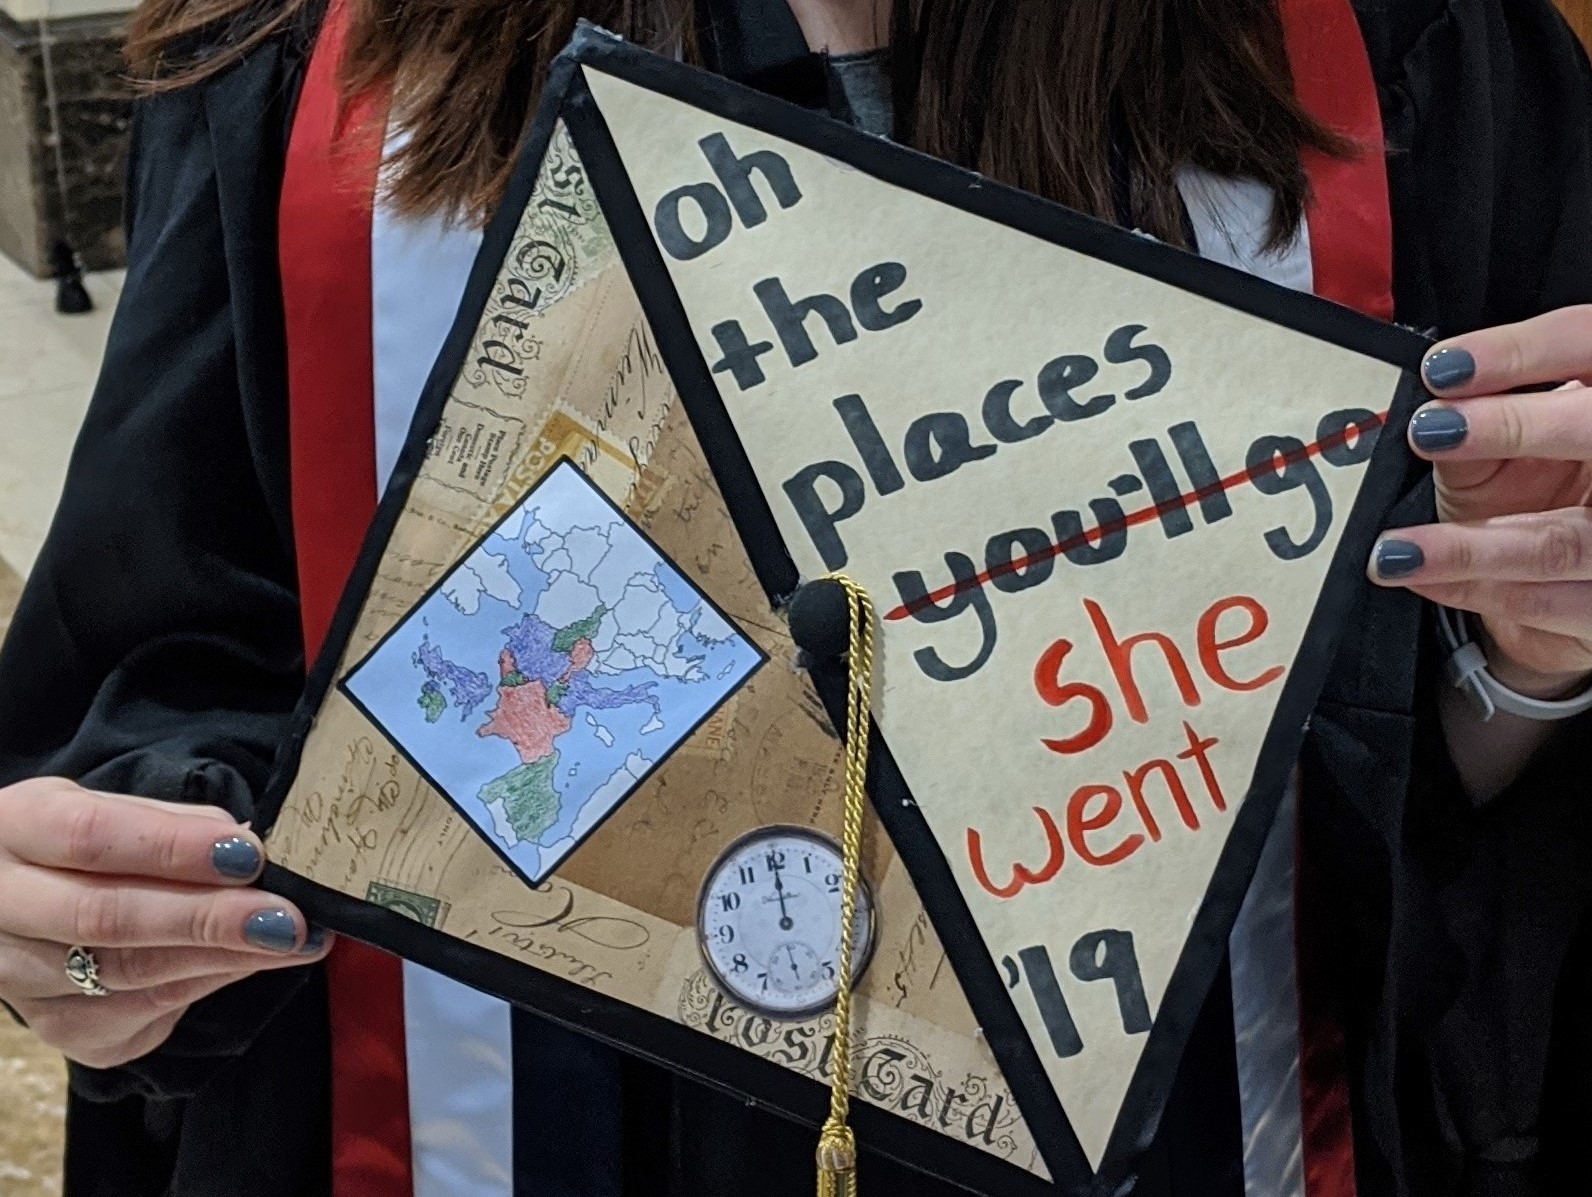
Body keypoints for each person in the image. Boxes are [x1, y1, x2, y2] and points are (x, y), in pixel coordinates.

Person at [0, 0, 1589, 1193]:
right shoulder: (310, 77)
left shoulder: (1408, 64)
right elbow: (159, 687)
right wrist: (102, 931)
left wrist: (1534, 648)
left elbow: (1441, 805)